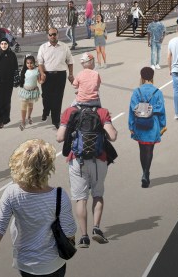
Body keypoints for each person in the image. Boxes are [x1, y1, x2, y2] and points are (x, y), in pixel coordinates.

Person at [0, 139, 77, 276]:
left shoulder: (11, 193)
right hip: (53, 264)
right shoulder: (60, 196)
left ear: (20, 164)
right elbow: (69, 232)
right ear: (48, 166)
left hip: (25, 264)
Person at [57, 98, 117, 248]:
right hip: (99, 160)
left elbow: (59, 138)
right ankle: (96, 228)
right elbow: (113, 136)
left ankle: (84, 237)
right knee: (97, 194)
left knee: (80, 199)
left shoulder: (70, 112)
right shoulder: (102, 112)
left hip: (77, 160)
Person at [129, 67, 167, 188]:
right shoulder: (157, 92)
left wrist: (131, 125)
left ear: (141, 77)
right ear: (152, 77)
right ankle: (146, 173)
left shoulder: (137, 91)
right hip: (153, 124)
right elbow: (161, 110)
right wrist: (162, 125)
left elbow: (132, 109)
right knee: (150, 150)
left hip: (139, 124)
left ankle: (144, 173)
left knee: (142, 150)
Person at [37, 28, 74, 128]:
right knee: (46, 97)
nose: (53, 36)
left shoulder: (64, 47)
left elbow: (70, 61)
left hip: (60, 75)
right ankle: (46, 110)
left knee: (58, 98)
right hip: (46, 76)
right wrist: (42, 73)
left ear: (58, 35)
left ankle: (56, 120)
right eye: (51, 35)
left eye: (54, 34)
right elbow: (40, 62)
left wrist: (71, 74)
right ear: (48, 36)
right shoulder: (43, 47)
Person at [0, 38, 18, 128]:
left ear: (8, 44)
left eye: (5, 43)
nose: (3, 45)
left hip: (8, 82)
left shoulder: (12, 55)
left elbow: (16, 68)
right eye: (2, 44)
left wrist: (16, 80)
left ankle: (5, 118)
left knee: (6, 100)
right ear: (0, 45)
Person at [17, 55, 40, 130]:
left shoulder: (37, 70)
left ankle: (29, 116)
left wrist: (43, 79)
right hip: (25, 91)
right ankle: (23, 122)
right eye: (27, 63)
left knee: (30, 105)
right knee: (23, 106)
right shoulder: (24, 70)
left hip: (32, 92)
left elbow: (40, 81)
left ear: (34, 62)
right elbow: (22, 80)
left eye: (31, 63)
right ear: (25, 63)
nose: (29, 65)